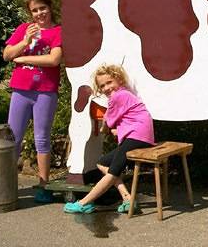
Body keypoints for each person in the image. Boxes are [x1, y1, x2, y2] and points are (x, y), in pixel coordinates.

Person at [64, 64, 155, 214]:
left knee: (113, 171)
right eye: (102, 86)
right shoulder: (124, 94)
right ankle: (127, 198)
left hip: (136, 135)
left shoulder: (118, 97)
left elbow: (109, 122)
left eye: (109, 82)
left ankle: (83, 203)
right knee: (102, 163)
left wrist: (105, 125)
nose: (106, 87)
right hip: (140, 135)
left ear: (118, 80)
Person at [3, 0, 63, 202]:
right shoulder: (23, 29)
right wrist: (25, 41)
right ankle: (6, 183)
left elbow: (54, 59)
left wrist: (23, 58)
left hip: (45, 91)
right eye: (35, 10)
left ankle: (43, 185)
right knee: (13, 139)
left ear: (50, 7)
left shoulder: (58, 31)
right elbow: (7, 55)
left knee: (42, 139)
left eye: (42, 8)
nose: (40, 13)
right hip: (21, 90)